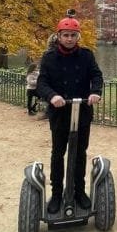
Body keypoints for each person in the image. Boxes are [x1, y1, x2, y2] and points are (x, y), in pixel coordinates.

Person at [36, 17, 103, 212]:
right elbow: (42, 83)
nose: (69, 39)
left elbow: (96, 75)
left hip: (81, 112)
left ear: (78, 36)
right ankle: (57, 194)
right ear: (59, 36)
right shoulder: (49, 58)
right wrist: (52, 96)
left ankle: (79, 191)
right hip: (60, 113)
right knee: (58, 154)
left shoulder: (86, 56)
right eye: (66, 35)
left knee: (80, 153)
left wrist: (95, 92)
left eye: (73, 35)